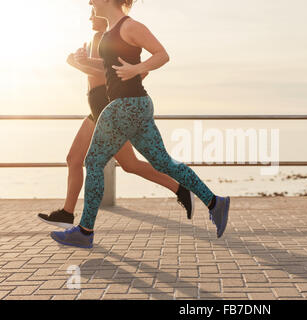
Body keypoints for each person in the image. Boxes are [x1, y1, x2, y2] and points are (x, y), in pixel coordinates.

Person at [50, 0, 230, 249]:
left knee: (93, 161)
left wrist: (138, 68)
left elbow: (162, 54)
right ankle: (215, 203)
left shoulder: (129, 26)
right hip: (137, 105)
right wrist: (79, 61)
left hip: (126, 106)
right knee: (163, 162)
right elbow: (107, 68)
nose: (90, 1)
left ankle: (85, 231)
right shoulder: (111, 30)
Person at [39, 8, 195, 230]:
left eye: (93, 12)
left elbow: (108, 73)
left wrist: (76, 63)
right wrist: (79, 61)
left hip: (107, 108)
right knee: (82, 160)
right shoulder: (97, 39)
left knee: (118, 163)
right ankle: (67, 213)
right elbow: (98, 70)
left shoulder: (113, 39)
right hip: (95, 108)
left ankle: (180, 188)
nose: (91, 16)